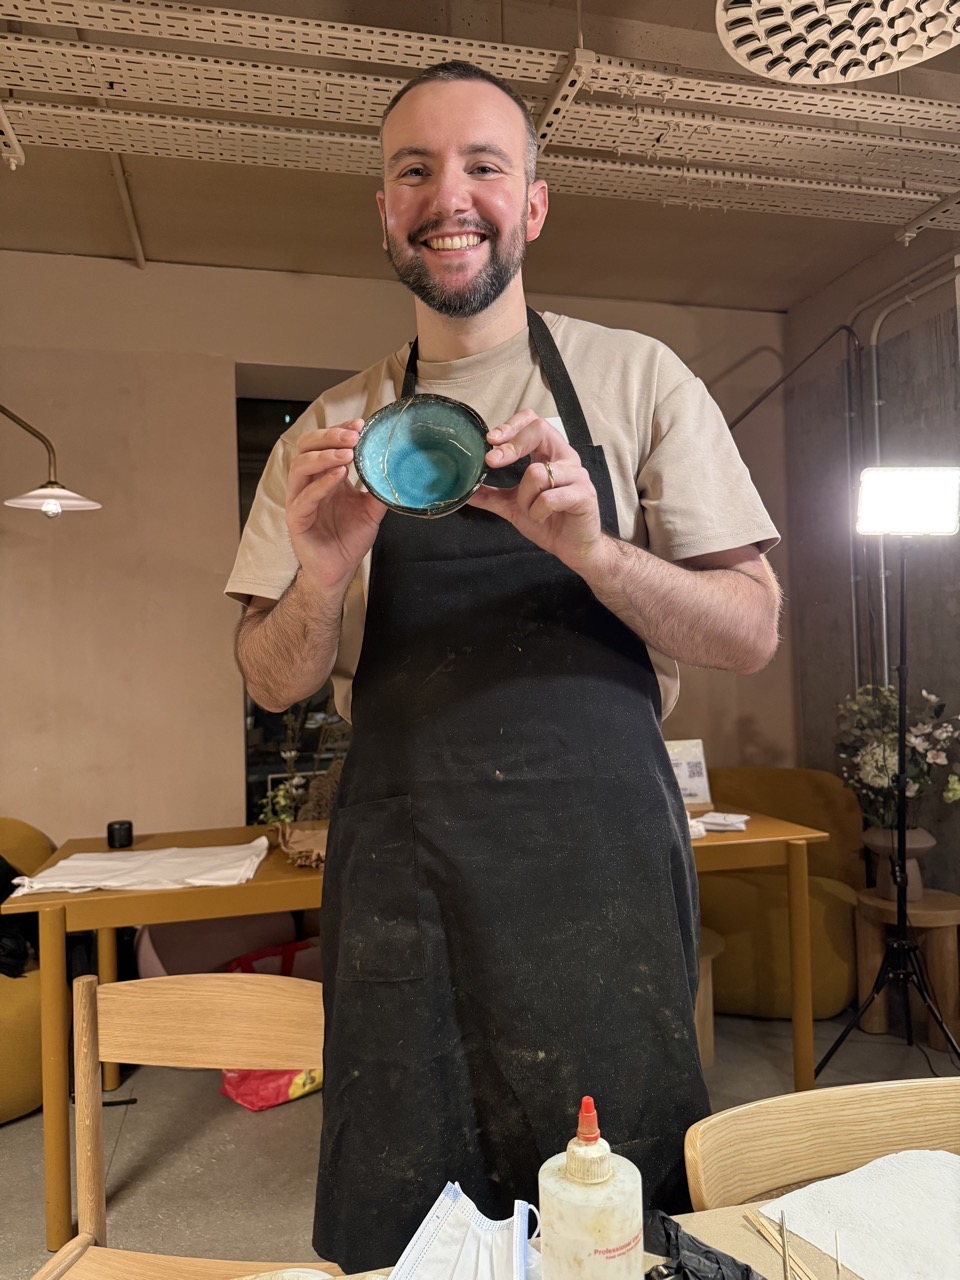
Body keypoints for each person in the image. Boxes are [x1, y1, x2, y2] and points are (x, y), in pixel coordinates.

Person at [227, 60, 781, 1272]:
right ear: (385, 209)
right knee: (406, 1230)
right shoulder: (332, 434)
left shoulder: (637, 380)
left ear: (533, 202)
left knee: (616, 1221)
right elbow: (270, 679)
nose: (450, 194)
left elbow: (750, 626)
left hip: (603, 882)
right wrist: (321, 575)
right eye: (414, 170)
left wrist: (596, 552)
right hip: (402, 896)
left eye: (484, 164)